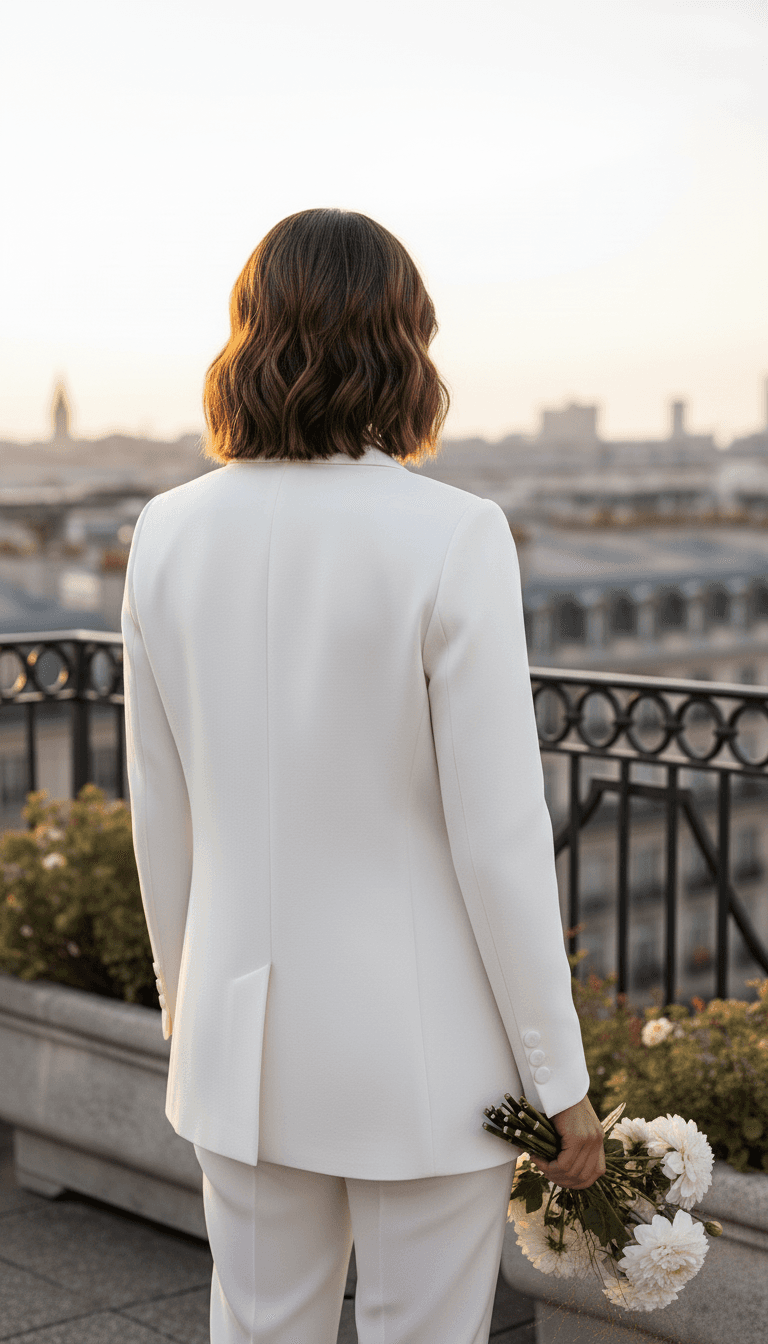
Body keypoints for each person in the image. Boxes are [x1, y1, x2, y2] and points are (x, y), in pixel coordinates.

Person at [121, 207, 605, 1344]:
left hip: (237, 1047)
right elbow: (497, 838)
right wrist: (559, 1077)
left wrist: (184, 1018)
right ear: (406, 345)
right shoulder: (454, 533)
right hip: (423, 1055)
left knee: (258, 1330)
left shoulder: (165, 531)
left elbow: (163, 815)